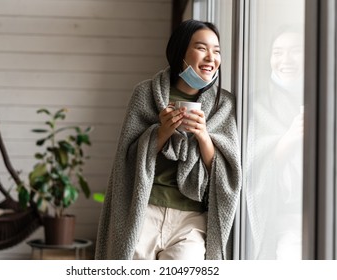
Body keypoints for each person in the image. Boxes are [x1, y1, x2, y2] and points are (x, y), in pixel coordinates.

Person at [95, 19, 241, 260]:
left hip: (191, 220)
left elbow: (227, 169)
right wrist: (161, 131)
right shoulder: (145, 93)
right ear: (180, 52)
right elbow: (126, 159)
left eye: (216, 51)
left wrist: (203, 135)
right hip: (144, 211)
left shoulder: (223, 105)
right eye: (201, 48)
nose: (210, 57)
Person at [247, 26, 304, 259]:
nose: (285, 60)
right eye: (278, 52)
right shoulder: (255, 104)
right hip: (283, 217)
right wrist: (291, 137)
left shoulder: (327, 98)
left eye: (296, 51)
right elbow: (249, 164)